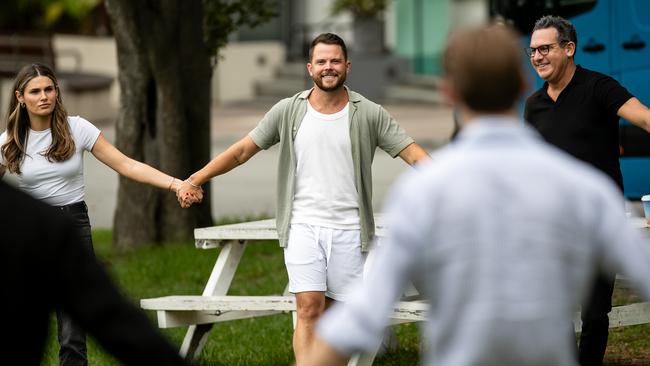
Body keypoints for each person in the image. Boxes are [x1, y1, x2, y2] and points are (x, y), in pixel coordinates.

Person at [306, 24, 650, 366]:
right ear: (520, 87)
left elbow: (363, 314)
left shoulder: (421, 193)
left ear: (448, 93)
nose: (538, 57)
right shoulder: (587, 191)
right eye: (532, 52)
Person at [176, 33, 429, 364]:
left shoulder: (368, 113)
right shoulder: (288, 111)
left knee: (337, 318)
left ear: (347, 66)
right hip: (302, 226)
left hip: (349, 231)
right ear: (310, 68)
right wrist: (196, 178)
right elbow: (241, 152)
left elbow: (412, 153)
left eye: (335, 61)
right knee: (309, 307)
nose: (328, 67)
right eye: (321, 61)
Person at [0, 63, 185, 366]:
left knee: (72, 330)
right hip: (27, 237)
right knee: (20, 318)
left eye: (49, 89)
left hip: (71, 226)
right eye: (35, 91)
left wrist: (175, 184)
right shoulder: (9, 141)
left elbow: (127, 165)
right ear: (21, 97)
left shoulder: (77, 129)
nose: (44, 96)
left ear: (57, 92)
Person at [524, 15, 650, 365]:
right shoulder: (533, 105)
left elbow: (643, 117)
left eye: (545, 48)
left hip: (599, 222)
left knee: (595, 312)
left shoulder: (599, 87)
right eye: (532, 50)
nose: (537, 57)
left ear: (569, 48)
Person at [0, 180, 190, 365]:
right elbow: (113, 321)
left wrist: (176, 184)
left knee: (71, 337)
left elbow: (111, 317)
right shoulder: (36, 223)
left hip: (69, 219)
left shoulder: (36, 225)